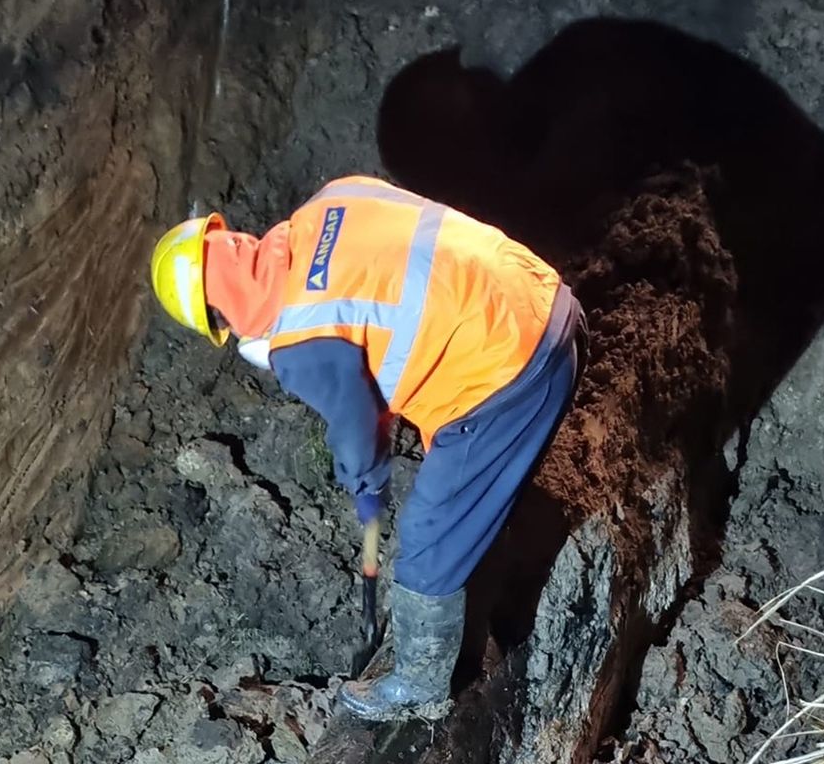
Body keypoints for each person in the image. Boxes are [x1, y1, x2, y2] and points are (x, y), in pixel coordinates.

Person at [149, 175, 586, 721]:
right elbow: (392, 303)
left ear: (219, 315)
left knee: (427, 536)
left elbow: (356, 428)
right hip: (547, 304)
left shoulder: (301, 341)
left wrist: (366, 487)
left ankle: (421, 688)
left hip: (512, 374)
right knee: (457, 485)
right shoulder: (332, 199)